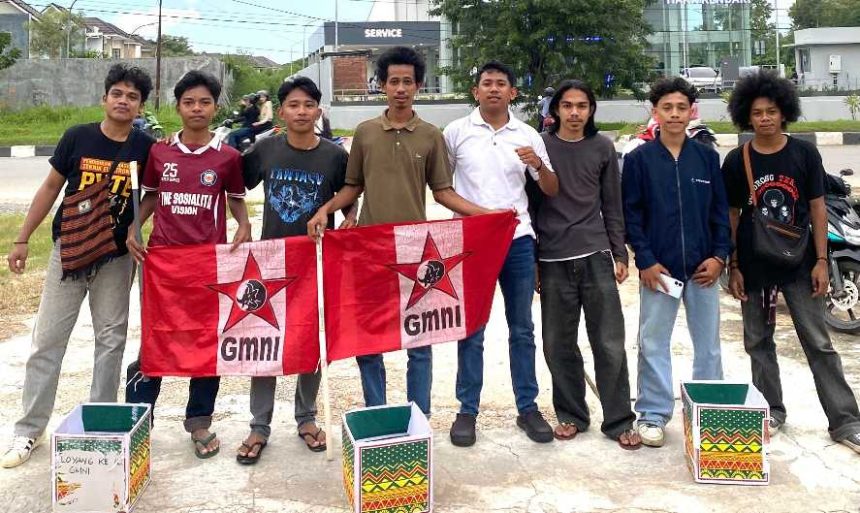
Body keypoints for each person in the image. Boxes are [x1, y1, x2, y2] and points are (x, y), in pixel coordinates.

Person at [307, 46, 490, 416]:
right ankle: (377, 410)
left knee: (419, 342)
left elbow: (443, 192)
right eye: (394, 81)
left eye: (408, 81)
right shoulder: (365, 133)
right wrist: (326, 209)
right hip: (369, 250)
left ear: (419, 86)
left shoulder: (431, 136)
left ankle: (418, 415)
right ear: (382, 85)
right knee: (368, 339)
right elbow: (353, 187)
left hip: (416, 252)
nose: (401, 88)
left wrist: (488, 215)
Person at [2, 64, 155, 468]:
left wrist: (135, 227)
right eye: (117, 93)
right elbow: (50, 187)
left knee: (111, 342)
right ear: (104, 98)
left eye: (133, 96)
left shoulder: (145, 147)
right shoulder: (78, 137)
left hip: (115, 259)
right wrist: (22, 238)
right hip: (68, 252)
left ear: (141, 106)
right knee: (47, 342)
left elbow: (153, 193)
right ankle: (28, 431)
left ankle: (100, 424)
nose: (124, 101)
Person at [722, 70, 860, 453]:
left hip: (800, 264)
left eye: (771, 111)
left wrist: (822, 260)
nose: (764, 118)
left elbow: (817, 208)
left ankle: (846, 421)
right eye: (757, 113)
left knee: (818, 342)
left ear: (784, 112)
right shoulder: (737, 160)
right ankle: (770, 411)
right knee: (758, 342)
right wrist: (734, 265)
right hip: (754, 265)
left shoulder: (804, 153)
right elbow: (732, 215)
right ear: (746, 116)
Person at [127, 70, 252, 459]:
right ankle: (139, 420)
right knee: (156, 338)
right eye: (189, 102)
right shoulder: (160, 152)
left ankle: (199, 421)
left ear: (216, 107)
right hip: (163, 262)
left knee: (205, 340)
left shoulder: (228, 157)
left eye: (204, 102)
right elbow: (151, 196)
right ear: (178, 107)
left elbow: (235, 198)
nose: (197, 108)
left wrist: (244, 223)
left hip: (207, 263)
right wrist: (134, 227)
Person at [444, 61, 559, 447]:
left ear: (513, 92)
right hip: (471, 241)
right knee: (471, 328)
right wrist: (482, 215)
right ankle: (467, 410)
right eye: (486, 83)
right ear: (475, 91)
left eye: (501, 84)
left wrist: (538, 164)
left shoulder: (527, 135)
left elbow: (551, 188)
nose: (493, 89)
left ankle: (528, 407)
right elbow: (442, 189)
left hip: (518, 241)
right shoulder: (456, 132)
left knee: (522, 327)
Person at [237, 77, 349, 464]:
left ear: (318, 111)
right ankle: (259, 425)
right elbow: (234, 183)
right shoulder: (265, 149)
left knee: (312, 341)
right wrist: (242, 222)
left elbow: (350, 196)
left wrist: (344, 218)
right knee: (264, 341)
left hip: (316, 262)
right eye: (293, 105)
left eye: (308, 105)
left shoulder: (335, 156)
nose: (301, 112)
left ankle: (307, 418)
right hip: (270, 262)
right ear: (281, 112)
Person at [621, 77, 731, 448]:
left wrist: (719, 257)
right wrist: (646, 261)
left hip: (703, 270)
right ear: (655, 112)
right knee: (653, 342)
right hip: (660, 271)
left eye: (681, 108)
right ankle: (653, 415)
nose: (674, 114)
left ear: (691, 112)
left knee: (709, 345)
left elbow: (719, 213)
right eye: (666, 107)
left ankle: (708, 411)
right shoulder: (639, 160)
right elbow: (632, 215)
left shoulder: (706, 158)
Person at [537, 79, 640, 450]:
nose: (574, 113)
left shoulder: (602, 147)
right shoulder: (541, 147)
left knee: (609, 343)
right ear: (556, 109)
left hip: (595, 255)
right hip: (552, 258)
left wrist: (619, 253)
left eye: (582, 105)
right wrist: (533, 260)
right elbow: (531, 205)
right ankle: (571, 415)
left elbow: (612, 203)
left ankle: (619, 420)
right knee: (557, 344)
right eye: (567, 105)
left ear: (591, 110)